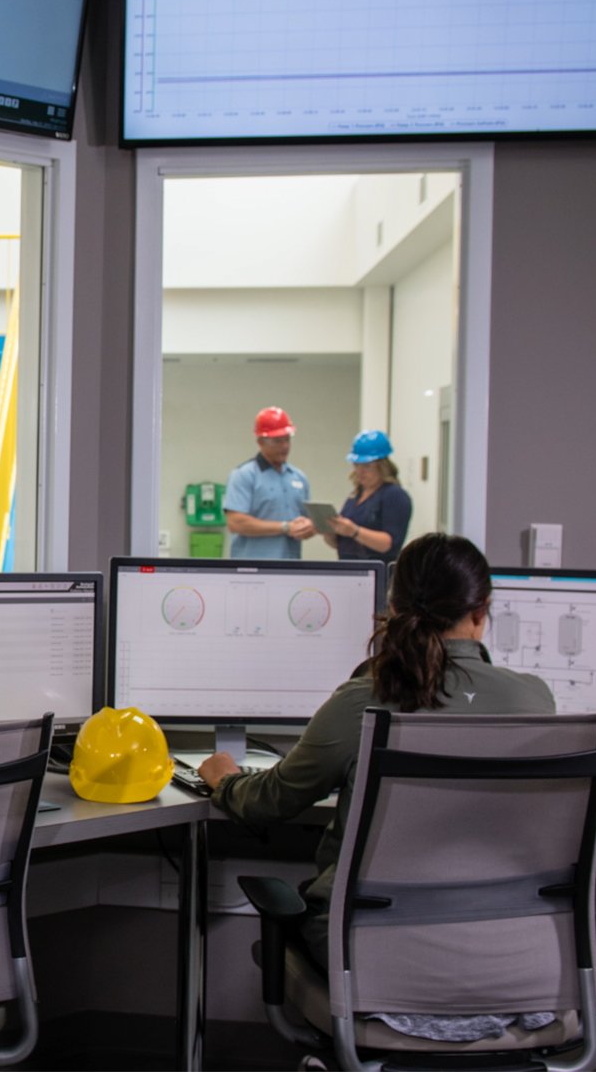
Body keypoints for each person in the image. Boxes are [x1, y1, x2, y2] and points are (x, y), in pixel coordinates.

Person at [196, 533, 554, 965]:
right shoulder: (535, 703)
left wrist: (226, 779)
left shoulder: (362, 700)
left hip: (370, 956)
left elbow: (270, 802)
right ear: (481, 611)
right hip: (503, 957)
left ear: (395, 609)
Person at [223, 406, 313, 559]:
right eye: (277, 441)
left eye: (287, 440)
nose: (285, 446)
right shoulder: (244, 475)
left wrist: (310, 527)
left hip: (289, 569)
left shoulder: (299, 477)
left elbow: (310, 520)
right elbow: (236, 523)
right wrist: (285, 528)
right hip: (252, 570)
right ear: (260, 442)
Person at [330, 429, 413, 562]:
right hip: (349, 570)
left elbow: (388, 544)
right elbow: (342, 544)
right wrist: (329, 531)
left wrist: (354, 531)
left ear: (383, 466)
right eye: (356, 465)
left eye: (367, 466)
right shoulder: (355, 496)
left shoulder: (394, 495)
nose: (360, 471)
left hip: (377, 574)